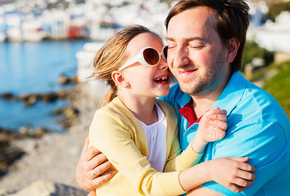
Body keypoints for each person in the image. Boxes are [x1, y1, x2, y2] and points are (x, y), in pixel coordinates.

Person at [76, 0, 290, 195]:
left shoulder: (257, 122)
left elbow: (161, 176)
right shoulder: (168, 100)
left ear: (231, 49)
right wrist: (90, 175)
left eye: (195, 45)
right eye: (171, 46)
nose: (176, 61)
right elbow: (114, 129)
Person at [83, 24, 255, 196]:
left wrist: (199, 140)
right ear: (121, 78)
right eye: (150, 57)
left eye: (164, 54)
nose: (166, 64)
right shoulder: (108, 121)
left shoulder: (168, 113)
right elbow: (149, 184)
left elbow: (170, 169)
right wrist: (208, 170)